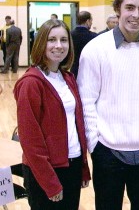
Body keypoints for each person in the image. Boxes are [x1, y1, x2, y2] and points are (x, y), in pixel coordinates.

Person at [77, 0, 139, 210]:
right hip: (108, 152)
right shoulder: (95, 49)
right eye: (129, 7)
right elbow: (86, 102)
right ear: (118, 9)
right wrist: (95, 145)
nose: (135, 15)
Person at [13, 19, 91, 210]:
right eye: (52, 40)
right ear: (41, 43)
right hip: (46, 173)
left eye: (64, 40)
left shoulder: (68, 78)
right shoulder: (31, 83)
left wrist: (82, 168)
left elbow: (76, 127)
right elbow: (31, 141)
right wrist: (50, 183)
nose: (59, 45)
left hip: (71, 166)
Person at [70, 11, 97, 77]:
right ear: (88, 21)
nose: (91, 23)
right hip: (89, 71)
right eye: (91, 21)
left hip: (74, 70)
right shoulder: (94, 37)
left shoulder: (69, 35)